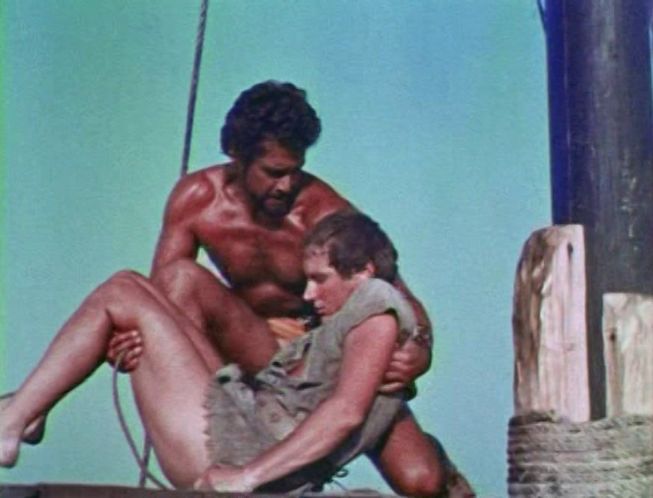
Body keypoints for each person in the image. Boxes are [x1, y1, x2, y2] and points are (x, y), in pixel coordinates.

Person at [105, 80, 455, 493]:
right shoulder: (196, 200)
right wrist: (134, 341)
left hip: (319, 357)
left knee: (422, 481)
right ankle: (216, 457)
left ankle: (438, 462)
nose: (287, 185)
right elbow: (163, 299)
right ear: (237, 155)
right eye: (274, 172)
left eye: (295, 170)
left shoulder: (325, 214)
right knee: (178, 279)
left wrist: (421, 349)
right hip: (245, 341)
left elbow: (399, 297)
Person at [1, 212, 448, 497]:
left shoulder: (375, 306)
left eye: (320, 279)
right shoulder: (356, 321)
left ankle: (13, 422)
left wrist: (247, 476)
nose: (309, 295)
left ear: (364, 272)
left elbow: (345, 413)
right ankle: (26, 414)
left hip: (241, 449)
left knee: (121, 290)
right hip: (246, 421)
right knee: (147, 284)